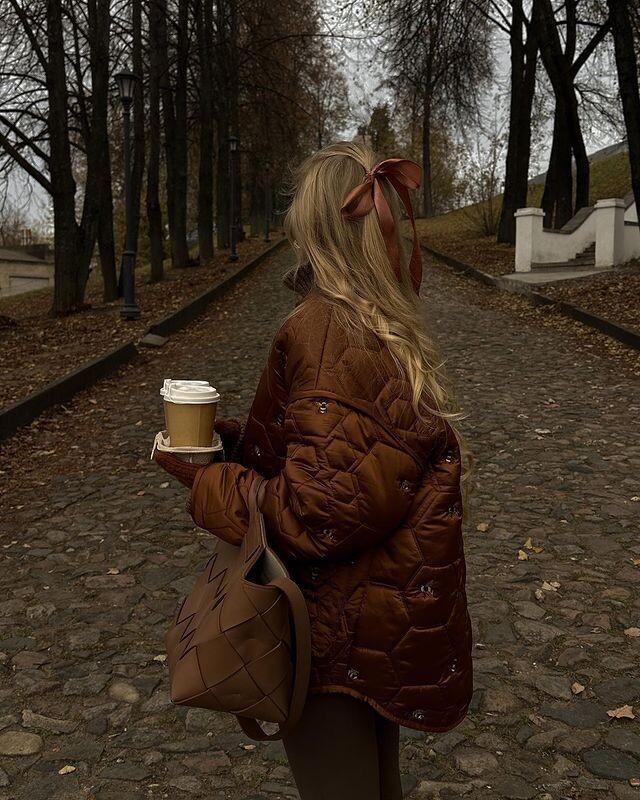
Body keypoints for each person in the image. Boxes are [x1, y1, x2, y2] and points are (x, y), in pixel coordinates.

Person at [154, 140, 474, 800]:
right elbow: (356, 457)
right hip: (375, 616)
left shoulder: (323, 328)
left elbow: (320, 511)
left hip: (333, 624)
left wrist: (207, 482)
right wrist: (234, 445)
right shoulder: (380, 322)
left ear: (314, 228)